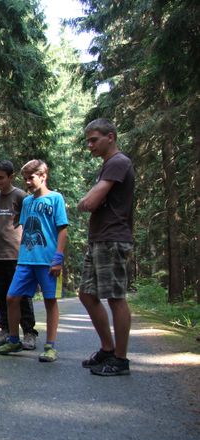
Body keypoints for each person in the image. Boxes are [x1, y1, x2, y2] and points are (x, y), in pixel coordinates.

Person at [0, 159, 68, 362]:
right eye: (25, 178)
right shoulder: (27, 202)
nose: (27, 182)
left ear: (43, 176)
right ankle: (14, 340)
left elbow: (62, 229)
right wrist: (23, 253)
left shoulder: (55, 198)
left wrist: (58, 257)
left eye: (31, 178)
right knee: (12, 297)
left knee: (50, 301)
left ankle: (50, 346)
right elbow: (25, 229)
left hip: (48, 260)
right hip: (25, 260)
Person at [77, 118, 135, 376]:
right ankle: (108, 349)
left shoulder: (118, 162)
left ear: (110, 137)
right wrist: (88, 201)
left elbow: (90, 202)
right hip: (100, 238)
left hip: (113, 238)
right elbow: (91, 201)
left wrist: (88, 200)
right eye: (88, 141)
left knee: (115, 297)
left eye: (94, 140)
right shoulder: (108, 165)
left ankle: (120, 360)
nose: (90, 145)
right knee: (87, 295)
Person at [0, 161, 38, 350]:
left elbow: (30, 223)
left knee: (21, 295)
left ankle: (29, 332)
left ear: (11, 177)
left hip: (17, 254)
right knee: (2, 295)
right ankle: (6, 329)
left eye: (1, 177)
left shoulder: (21, 196)